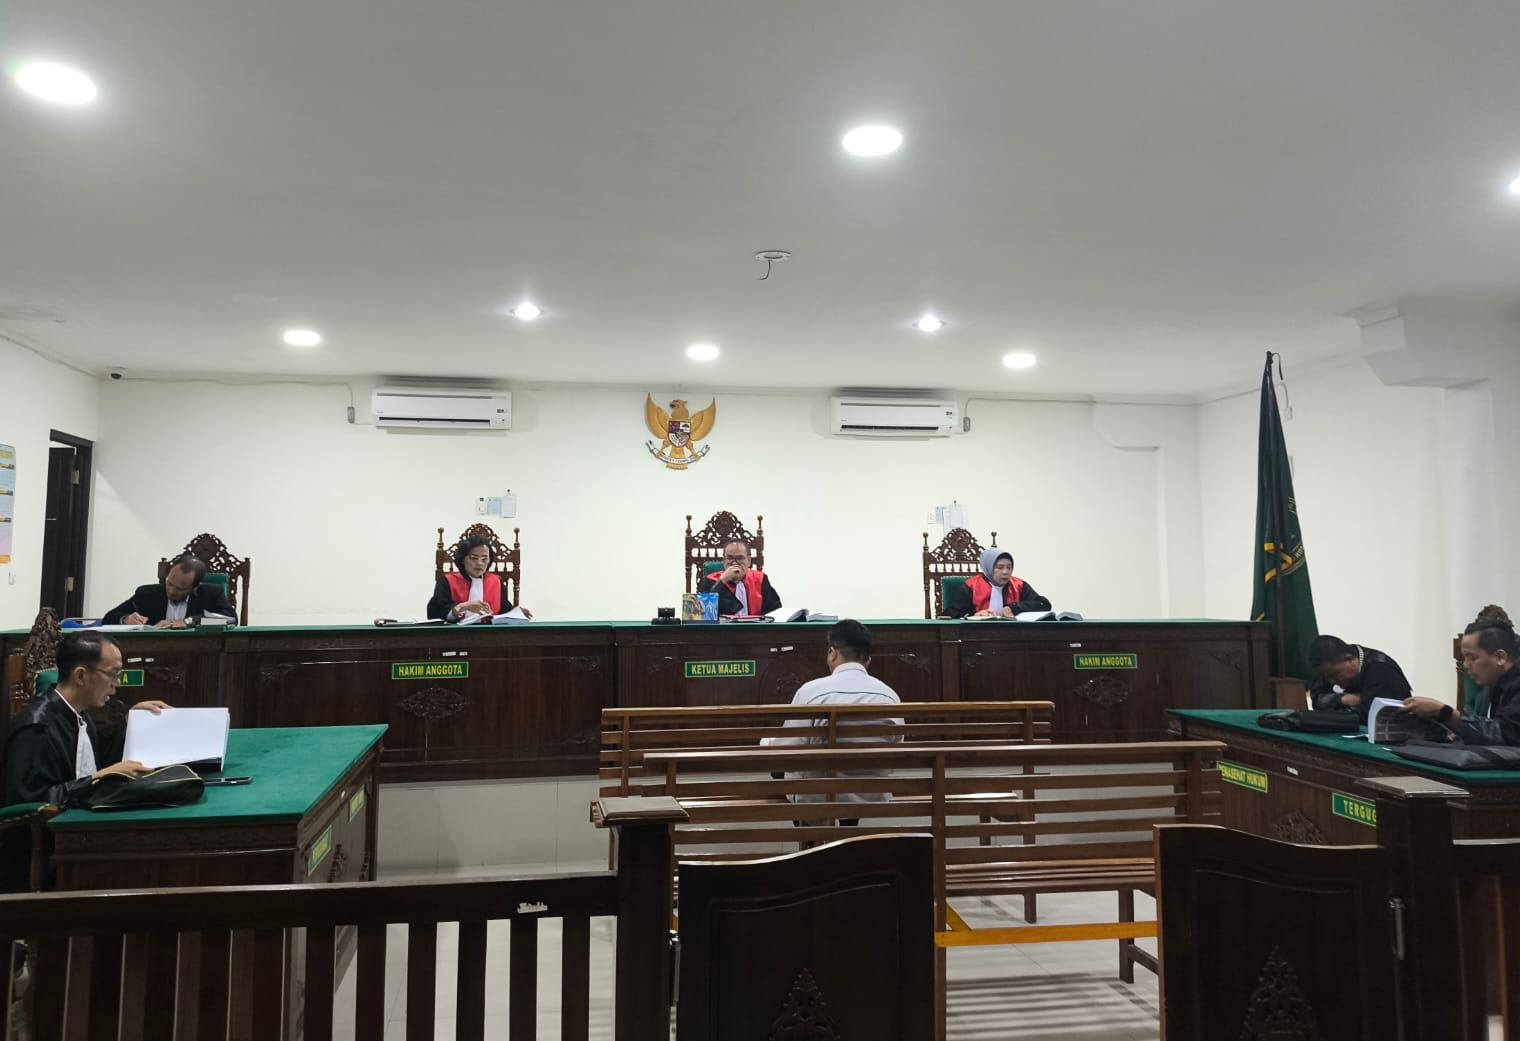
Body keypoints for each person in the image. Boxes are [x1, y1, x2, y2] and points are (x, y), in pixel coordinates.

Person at [0, 631, 170, 890]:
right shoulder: (36, 729)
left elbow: (93, 764)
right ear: (81, 675)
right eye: (112, 674)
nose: (117, 684)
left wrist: (131, 722)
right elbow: (31, 803)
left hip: (77, 837)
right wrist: (96, 779)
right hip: (42, 857)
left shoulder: (78, 714)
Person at [764, 620, 903, 822]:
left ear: (832, 653)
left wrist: (769, 743)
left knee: (782, 768)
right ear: (868, 660)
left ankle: (813, 835)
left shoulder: (811, 692)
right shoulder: (889, 696)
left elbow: (788, 750)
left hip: (817, 796)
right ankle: (850, 826)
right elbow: (894, 754)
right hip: (870, 794)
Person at [1404, 620, 1520, 745]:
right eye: (1464, 658)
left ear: (1500, 657)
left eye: (1473, 658)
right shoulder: (1499, 684)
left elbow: (1507, 737)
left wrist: (1444, 712)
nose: (1465, 665)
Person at [102, 555, 237, 628]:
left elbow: (230, 619)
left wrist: (188, 621)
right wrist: (126, 619)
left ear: (195, 587)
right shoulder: (147, 594)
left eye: (180, 589)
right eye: (169, 583)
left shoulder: (210, 594)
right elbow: (109, 617)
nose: (171, 591)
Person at [1307, 635, 1412, 720]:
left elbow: (1370, 716)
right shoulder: (1328, 668)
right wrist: (1342, 699)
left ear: (1350, 659)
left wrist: (1332, 704)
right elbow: (1317, 702)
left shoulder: (1381, 669)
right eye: (1327, 677)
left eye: (1336, 674)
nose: (1332, 681)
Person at [427, 535, 531, 621]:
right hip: (455, 636)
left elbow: (503, 611)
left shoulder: (496, 582)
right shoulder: (446, 582)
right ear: (462, 559)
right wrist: (462, 607)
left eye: (484, 559)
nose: (479, 563)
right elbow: (437, 613)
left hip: (490, 635)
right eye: (474, 558)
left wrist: (516, 613)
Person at [944, 548, 1052, 618]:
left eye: (1009, 567)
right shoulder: (970, 586)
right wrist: (974, 616)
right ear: (988, 568)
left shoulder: (1018, 585)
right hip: (977, 637)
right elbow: (950, 614)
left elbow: (1044, 604)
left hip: (1013, 635)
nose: (1005, 572)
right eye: (1000, 567)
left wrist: (1015, 608)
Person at [701, 539, 781, 617]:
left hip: (756, 625)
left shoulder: (760, 579)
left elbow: (774, 611)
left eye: (740, 558)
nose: (734, 563)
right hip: (724, 626)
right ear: (724, 561)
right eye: (729, 558)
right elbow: (704, 614)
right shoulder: (712, 581)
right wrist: (721, 582)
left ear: (749, 561)